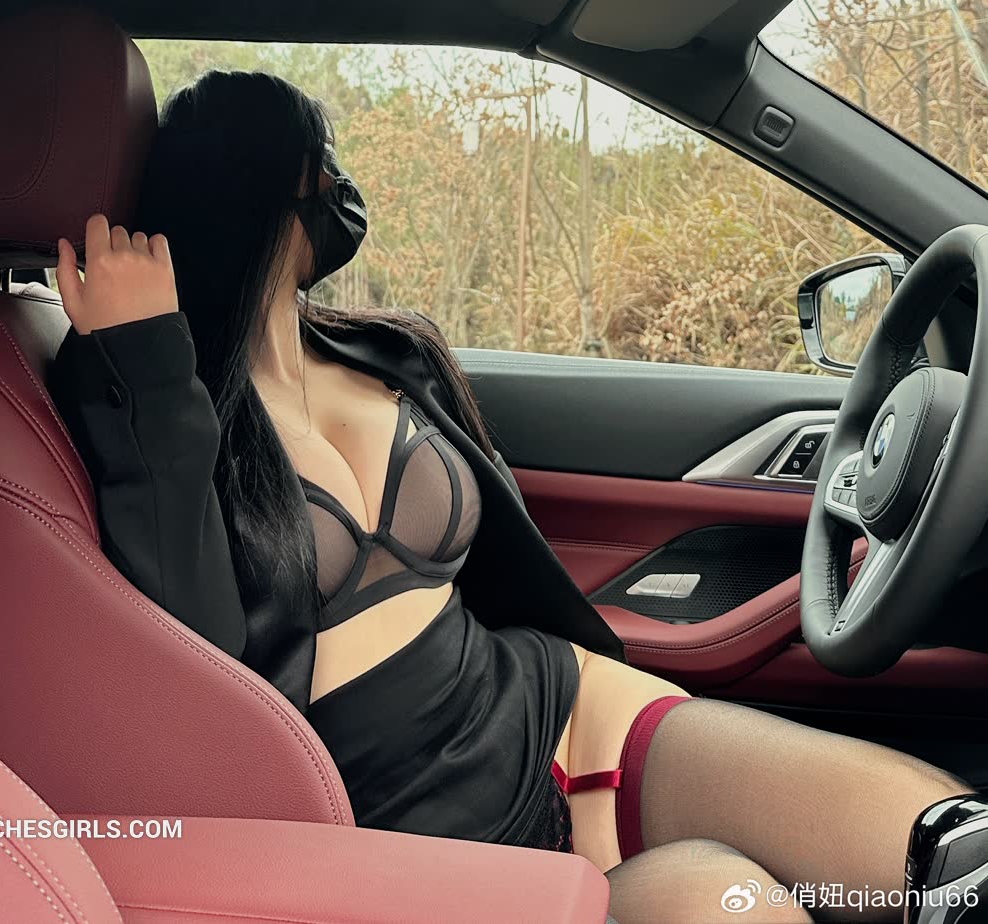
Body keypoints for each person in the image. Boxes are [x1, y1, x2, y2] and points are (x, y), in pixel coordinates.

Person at [50, 70, 964, 924]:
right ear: (260, 184)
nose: (338, 185)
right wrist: (148, 365)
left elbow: (505, 558)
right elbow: (192, 660)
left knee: (944, 844)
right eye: (320, 161)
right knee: (729, 901)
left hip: (551, 706)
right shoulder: (151, 398)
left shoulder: (387, 349)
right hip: (394, 823)